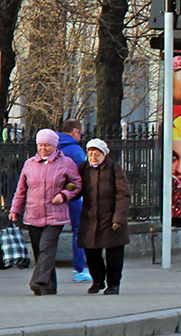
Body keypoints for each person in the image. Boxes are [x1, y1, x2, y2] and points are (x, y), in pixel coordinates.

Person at [8, 129, 82, 295]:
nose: (43, 148)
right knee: (39, 251)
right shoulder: (30, 164)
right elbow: (21, 190)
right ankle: (49, 287)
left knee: (46, 249)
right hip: (33, 215)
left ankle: (37, 280)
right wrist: (15, 210)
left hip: (56, 215)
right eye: (40, 145)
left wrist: (64, 195)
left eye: (47, 145)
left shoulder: (66, 163)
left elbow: (77, 184)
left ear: (54, 146)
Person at [77, 139, 130, 295]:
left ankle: (114, 284)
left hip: (111, 218)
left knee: (114, 254)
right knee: (91, 252)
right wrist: (69, 189)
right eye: (90, 153)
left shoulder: (114, 168)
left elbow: (123, 194)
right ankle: (98, 281)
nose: (93, 156)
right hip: (91, 218)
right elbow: (77, 187)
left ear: (104, 154)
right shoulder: (84, 168)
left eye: (97, 154)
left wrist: (119, 217)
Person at [57, 119, 91, 283]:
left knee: (49, 230)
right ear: (76, 131)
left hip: (52, 193)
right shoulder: (75, 150)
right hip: (73, 195)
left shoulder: (52, 145)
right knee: (79, 229)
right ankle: (79, 269)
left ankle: (44, 269)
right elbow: (84, 173)